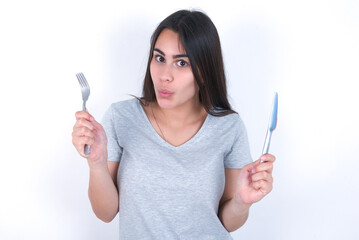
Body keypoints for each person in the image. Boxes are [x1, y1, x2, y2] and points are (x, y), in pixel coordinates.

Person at [72, 9, 275, 239]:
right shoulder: (122, 118)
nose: (164, 75)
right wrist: (97, 163)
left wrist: (241, 202)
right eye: (160, 59)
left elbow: (226, 222)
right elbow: (105, 213)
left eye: (181, 63)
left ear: (205, 72)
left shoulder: (229, 127)